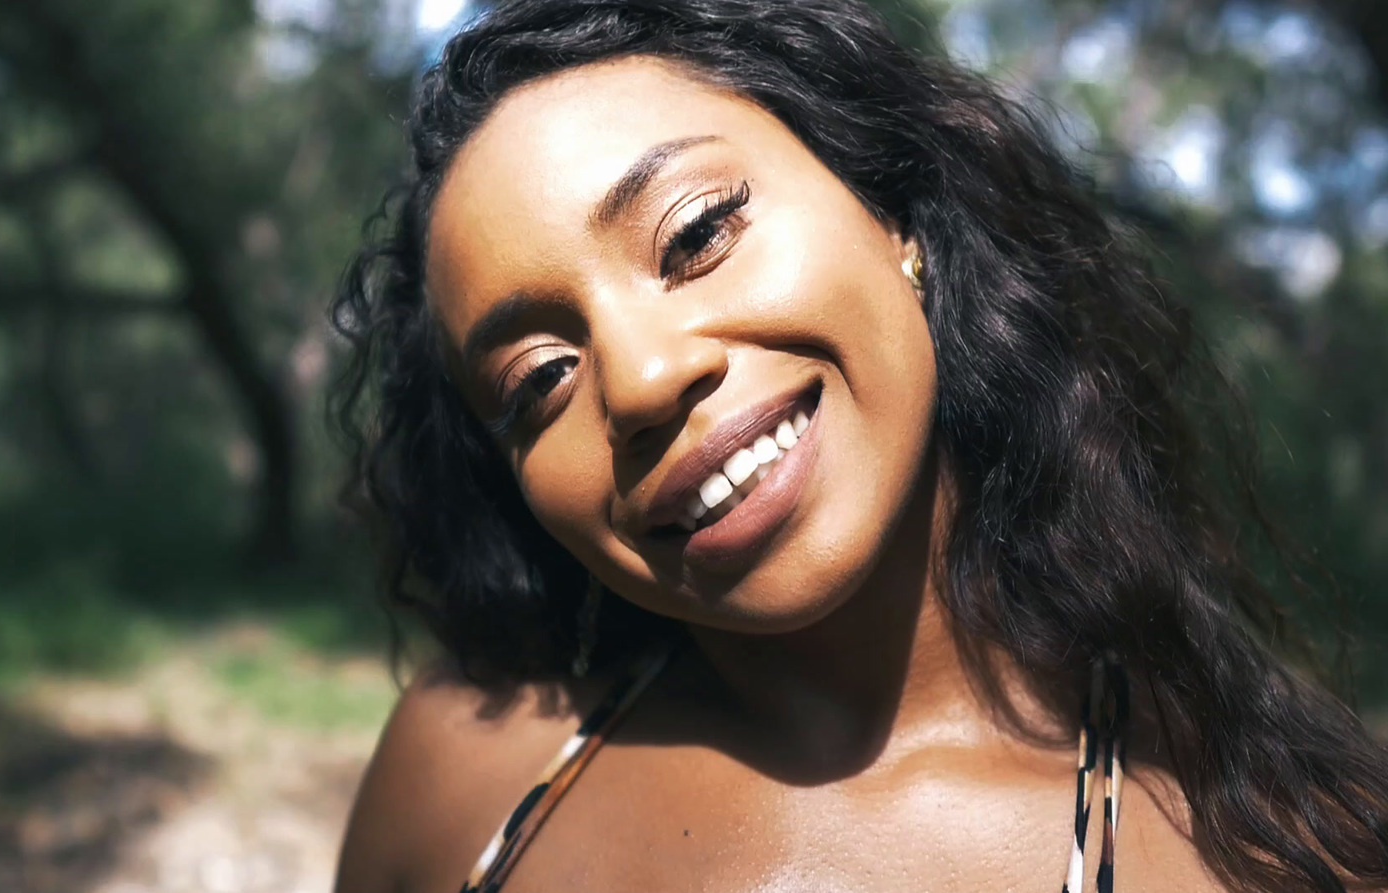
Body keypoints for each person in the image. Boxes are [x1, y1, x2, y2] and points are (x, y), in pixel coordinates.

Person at [327, 1, 1388, 890]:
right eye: (539, 379)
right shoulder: (459, 775)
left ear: (894, 218)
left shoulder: (1269, 849)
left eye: (695, 234)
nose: (643, 378)